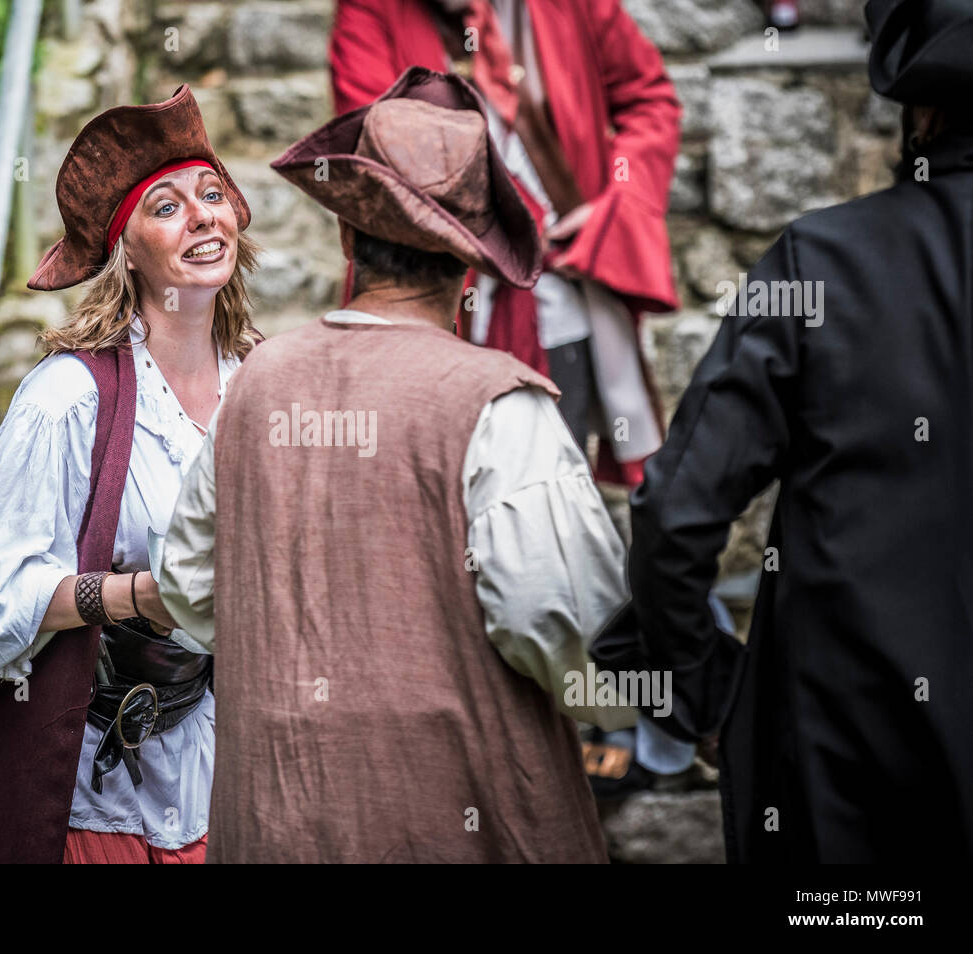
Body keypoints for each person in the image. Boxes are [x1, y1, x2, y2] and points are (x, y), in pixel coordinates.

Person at [159, 67, 635, 863]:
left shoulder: (253, 387)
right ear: (472, 261)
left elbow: (189, 586)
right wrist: (640, 709)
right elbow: (572, 629)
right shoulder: (499, 406)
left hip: (270, 826)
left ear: (347, 236)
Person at [592, 0, 973, 863]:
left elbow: (675, 513)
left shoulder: (820, 264)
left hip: (846, 780)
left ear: (923, 112)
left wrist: (711, 693)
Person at [0, 85, 258, 864]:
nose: (201, 216)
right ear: (127, 250)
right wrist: (133, 595)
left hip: (216, 775)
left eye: (212, 194)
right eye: (166, 205)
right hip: (88, 794)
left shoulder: (258, 385)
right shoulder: (67, 400)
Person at [331, 0, 692, 795]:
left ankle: (592, 729)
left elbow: (648, 99)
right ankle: (478, 738)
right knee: (442, 527)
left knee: (561, 514)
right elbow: (369, 155)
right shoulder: (373, 12)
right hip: (440, 311)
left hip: (570, 303)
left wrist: (615, 206)